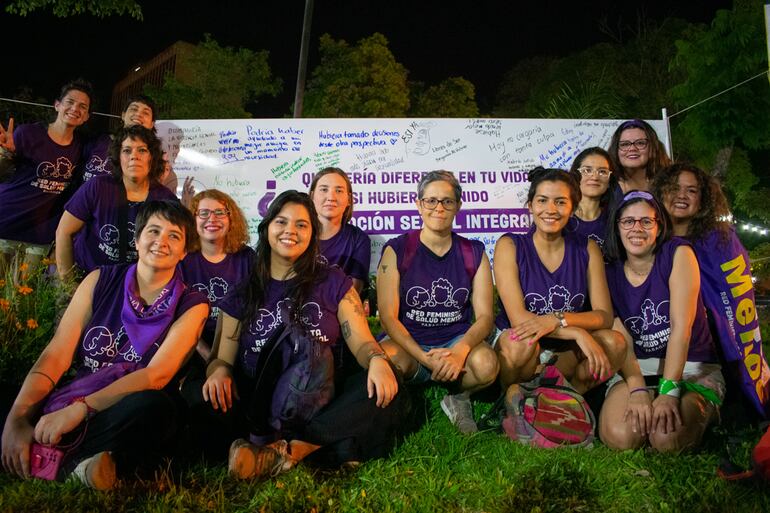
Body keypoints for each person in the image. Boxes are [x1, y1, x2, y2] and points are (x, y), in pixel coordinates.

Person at [1, 200, 208, 489]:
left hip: (121, 408)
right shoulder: (100, 279)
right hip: (76, 390)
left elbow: (156, 375)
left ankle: (60, 462)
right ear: (137, 240)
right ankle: (80, 465)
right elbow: (58, 353)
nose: (161, 241)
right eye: (153, 231)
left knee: (154, 408)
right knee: (11, 400)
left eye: (174, 236)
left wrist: (81, 410)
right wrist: (18, 419)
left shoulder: (192, 304)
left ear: (184, 251)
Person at [199, 190, 406, 478]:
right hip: (261, 403)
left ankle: (290, 451)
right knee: (203, 397)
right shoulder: (244, 290)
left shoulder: (333, 282)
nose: (290, 231)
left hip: (322, 399)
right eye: (281, 222)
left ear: (312, 234)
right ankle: (333, 446)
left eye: (301, 225)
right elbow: (221, 358)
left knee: (387, 382)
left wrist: (377, 360)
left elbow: (362, 342)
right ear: (267, 228)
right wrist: (219, 371)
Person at [599, 190, 723, 451]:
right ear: (617, 227)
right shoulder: (609, 270)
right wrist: (637, 390)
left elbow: (681, 329)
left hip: (691, 367)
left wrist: (668, 391)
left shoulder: (678, 253)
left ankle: (706, 409)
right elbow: (622, 339)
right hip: (638, 368)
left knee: (667, 440)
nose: (637, 228)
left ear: (659, 226)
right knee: (620, 437)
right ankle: (647, 403)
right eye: (628, 221)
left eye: (647, 221)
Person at [377, 170, 498, 434]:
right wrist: (423, 358)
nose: (438, 208)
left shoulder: (473, 252)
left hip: (454, 340)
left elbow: (486, 317)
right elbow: (387, 317)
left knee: (487, 365)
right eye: (431, 201)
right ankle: (409, 396)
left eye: (447, 201)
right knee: (383, 361)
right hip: (410, 342)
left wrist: (461, 350)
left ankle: (458, 396)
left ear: (458, 206)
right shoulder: (398, 249)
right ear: (419, 204)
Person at [652, 164, 770, 419]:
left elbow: (735, 302)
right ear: (660, 192)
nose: (682, 195)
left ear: (702, 200)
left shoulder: (720, 241)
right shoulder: (648, 238)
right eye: (674, 188)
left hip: (711, 346)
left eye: (691, 190)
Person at [494, 167, 625, 394]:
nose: (551, 209)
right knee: (520, 344)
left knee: (616, 343)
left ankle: (566, 401)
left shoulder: (587, 248)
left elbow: (604, 315)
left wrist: (558, 319)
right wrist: (575, 332)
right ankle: (515, 398)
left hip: (565, 350)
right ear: (530, 206)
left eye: (561, 202)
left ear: (572, 209)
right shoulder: (510, 245)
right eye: (542, 200)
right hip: (524, 342)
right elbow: (518, 319)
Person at [55, 125, 179, 279]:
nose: (134, 156)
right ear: (118, 157)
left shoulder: (166, 200)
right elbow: (63, 231)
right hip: (87, 278)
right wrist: (68, 283)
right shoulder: (98, 187)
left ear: (152, 158)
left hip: (134, 285)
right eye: (127, 150)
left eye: (142, 150)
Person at [0, 80, 93, 270]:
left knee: (27, 289)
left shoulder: (81, 147)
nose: (75, 109)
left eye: (82, 106)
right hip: (6, 223)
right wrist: (5, 153)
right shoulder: (28, 133)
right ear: (57, 105)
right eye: (70, 102)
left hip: (39, 235)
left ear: (86, 117)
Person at [178, 189, 253, 378]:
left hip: (239, 348)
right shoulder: (181, 261)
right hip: (193, 350)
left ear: (231, 219)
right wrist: (210, 358)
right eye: (203, 213)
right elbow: (176, 320)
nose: (212, 219)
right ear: (193, 220)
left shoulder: (247, 258)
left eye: (219, 212)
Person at [309, 167, 371, 295]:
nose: (331, 197)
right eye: (324, 189)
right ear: (312, 195)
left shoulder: (358, 240)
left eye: (338, 191)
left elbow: (353, 294)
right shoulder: (297, 234)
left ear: (349, 199)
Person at [81, 94, 156, 183]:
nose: (138, 114)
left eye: (146, 113)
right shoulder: (98, 140)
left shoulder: (154, 155)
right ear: (123, 115)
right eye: (134, 109)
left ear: (152, 124)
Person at [568, 147, 618, 249]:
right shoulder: (560, 217)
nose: (595, 177)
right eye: (587, 170)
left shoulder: (617, 220)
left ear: (609, 181)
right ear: (575, 176)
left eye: (602, 171)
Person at [607, 119, 671, 194]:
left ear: (653, 148)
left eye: (640, 143)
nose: (632, 148)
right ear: (615, 150)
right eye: (625, 144)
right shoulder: (606, 189)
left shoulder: (669, 187)